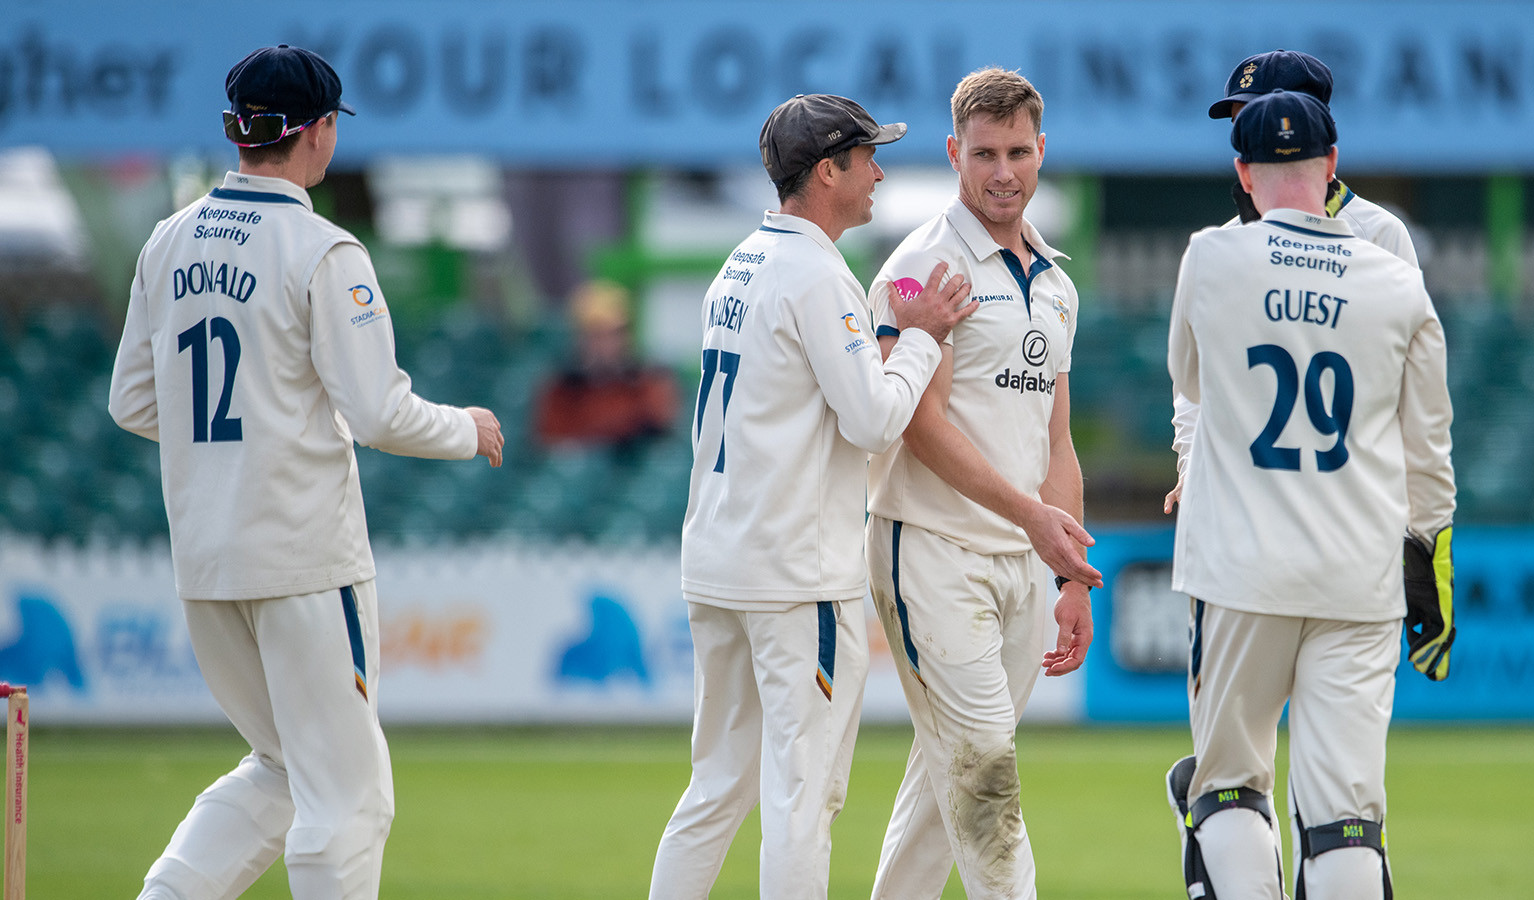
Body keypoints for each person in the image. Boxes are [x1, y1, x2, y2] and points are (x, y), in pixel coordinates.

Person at [108, 44, 504, 900]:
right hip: (302, 560)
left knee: (281, 770)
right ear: (318, 132)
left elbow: (133, 405)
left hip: (207, 560)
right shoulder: (324, 250)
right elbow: (379, 414)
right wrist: (467, 430)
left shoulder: (167, 240)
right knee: (348, 800)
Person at [650, 93, 1006, 900]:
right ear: (827, 170)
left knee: (716, 789)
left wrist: (893, 343)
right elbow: (877, 420)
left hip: (719, 559)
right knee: (804, 797)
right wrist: (921, 337)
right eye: (866, 158)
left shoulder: (739, 263)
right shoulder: (818, 274)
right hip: (795, 577)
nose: (878, 173)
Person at [1162, 90, 1455, 900]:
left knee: (1226, 785)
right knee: (1346, 818)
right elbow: (1429, 451)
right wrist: (1426, 556)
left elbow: (1189, 379)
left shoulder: (1210, 256)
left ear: (1243, 175)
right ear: (1331, 168)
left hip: (1238, 568)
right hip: (1358, 574)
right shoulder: (1396, 279)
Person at [861, 67, 1103, 900]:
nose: (1005, 171)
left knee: (947, 783)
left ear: (1044, 151)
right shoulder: (923, 265)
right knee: (986, 770)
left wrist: (1069, 572)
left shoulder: (1059, 283)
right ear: (954, 152)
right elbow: (918, 428)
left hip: (1022, 562)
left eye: (1020, 152)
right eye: (986, 153)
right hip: (929, 549)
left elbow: (1057, 439)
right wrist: (1031, 516)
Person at [1167, 48, 1422, 515]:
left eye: (1257, 118)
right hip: (1244, 502)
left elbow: (1408, 386)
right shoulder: (1220, 245)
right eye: (1239, 122)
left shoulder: (1379, 234)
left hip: (1347, 502)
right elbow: (1194, 386)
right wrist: (1191, 465)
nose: (1245, 136)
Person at [532, 278, 679, 450]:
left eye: (614, 334)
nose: (605, 344)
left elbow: (660, 426)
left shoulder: (649, 381)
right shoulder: (562, 389)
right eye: (596, 334)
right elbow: (552, 442)